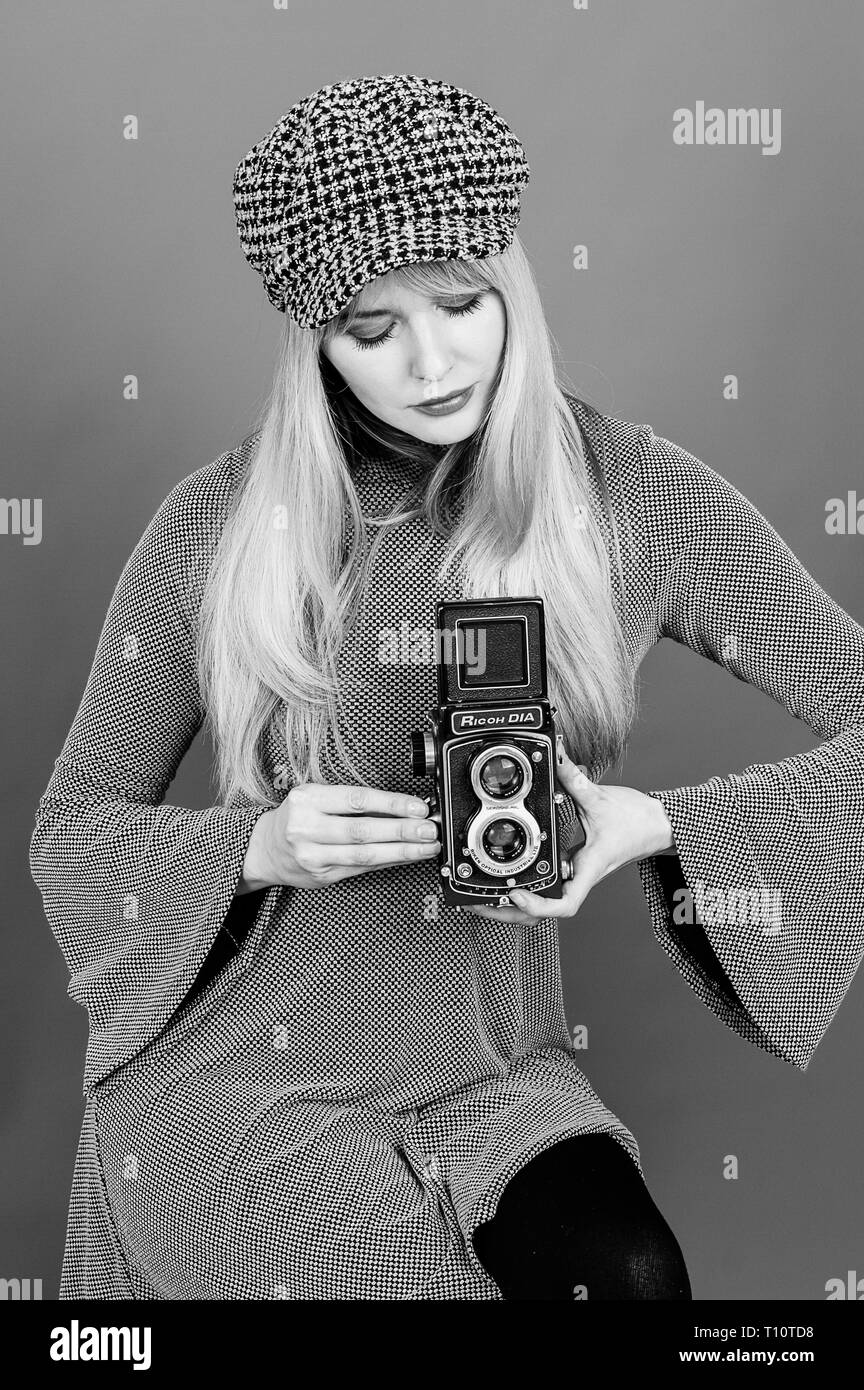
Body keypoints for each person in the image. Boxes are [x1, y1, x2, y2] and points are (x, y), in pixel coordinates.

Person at [29, 74, 864, 1302]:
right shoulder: (219, 524)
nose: (433, 363)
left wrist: (658, 827)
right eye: (373, 329)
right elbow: (72, 834)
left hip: (491, 1064)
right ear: (315, 342)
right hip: (241, 1077)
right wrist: (251, 848)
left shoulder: (629, 492)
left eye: (466, 303)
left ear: (512, 285)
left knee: (632, 1280)